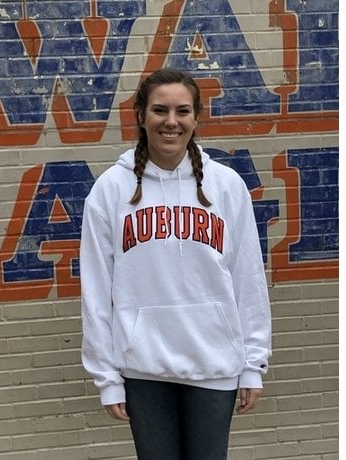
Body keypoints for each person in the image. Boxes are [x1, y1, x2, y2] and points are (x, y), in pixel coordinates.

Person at [80, 68, 272, 459]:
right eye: (160, 110)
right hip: (143, 367)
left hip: (215, 364)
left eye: (182, 110)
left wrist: (253, 363)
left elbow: (248, 280)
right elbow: (96, 291)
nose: (171, 121)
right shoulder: (110, 190)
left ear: (197, 117)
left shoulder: (227, 186)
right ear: (140, 115)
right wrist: (107, 378)